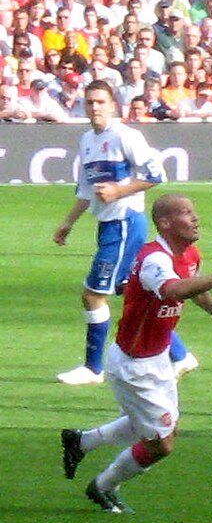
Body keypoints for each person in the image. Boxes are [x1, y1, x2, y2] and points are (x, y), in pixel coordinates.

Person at [61, 193, 212, 512]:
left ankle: (82, 441)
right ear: (165, 223)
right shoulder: (155, 259)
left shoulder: (190, 253)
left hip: (157, 358)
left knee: (159, 427)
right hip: (133, 366)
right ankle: (102, 486)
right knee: (162, 443)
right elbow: (174, 289)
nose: (195, 218)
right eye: (186, 213)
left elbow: (193, 284)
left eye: (194, 211)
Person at [53, 79, 165, 385]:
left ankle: (92, 368)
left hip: (126, 223)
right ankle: (179, 355)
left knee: (92, 294)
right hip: (107, 225)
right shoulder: (88, 139)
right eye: (90, 102)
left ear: (113, 104)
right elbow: (86, 188)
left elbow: (156, 175)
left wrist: (119, 191)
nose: (95, 108)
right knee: (130, 293)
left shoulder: (126, 136)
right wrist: (68, 222)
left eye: (101, 102)